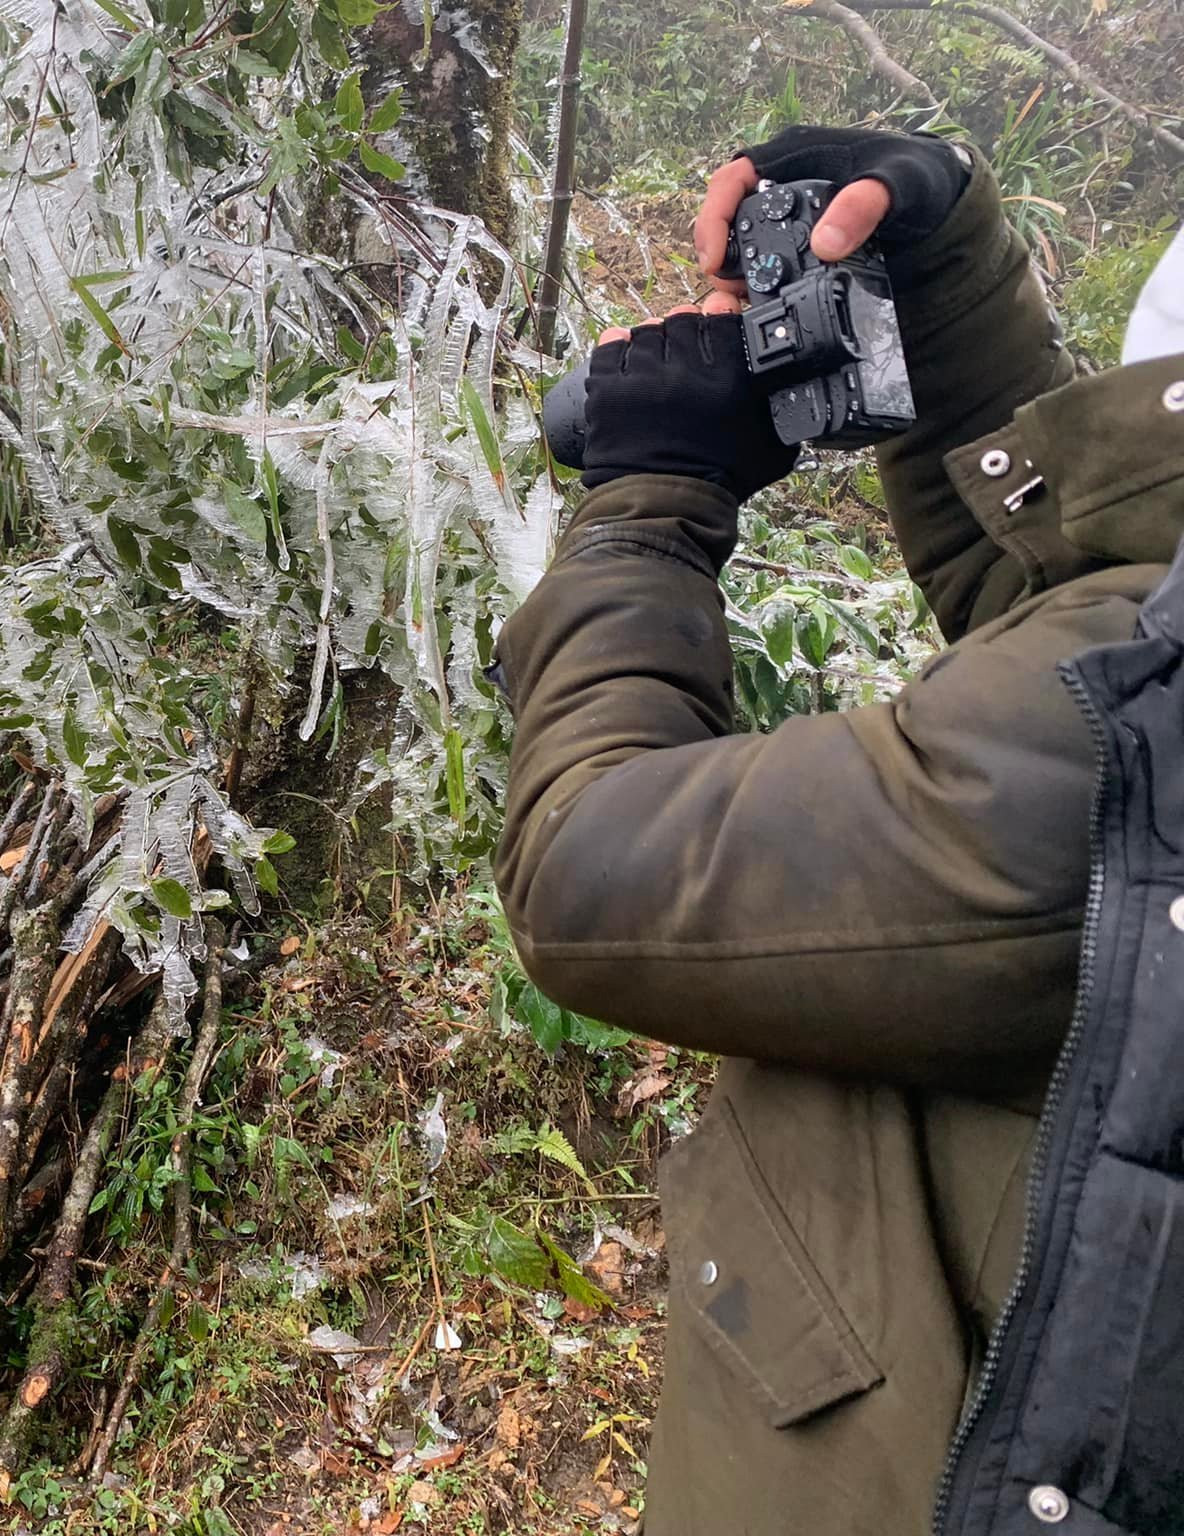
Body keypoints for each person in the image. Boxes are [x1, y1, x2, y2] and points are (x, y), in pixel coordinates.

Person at [491, 126, 1184, 1534]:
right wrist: (945, 278)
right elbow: (1082, 627)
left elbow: (587, 863)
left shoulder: (1130, 761)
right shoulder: (1132, 711)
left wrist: (648, 502)